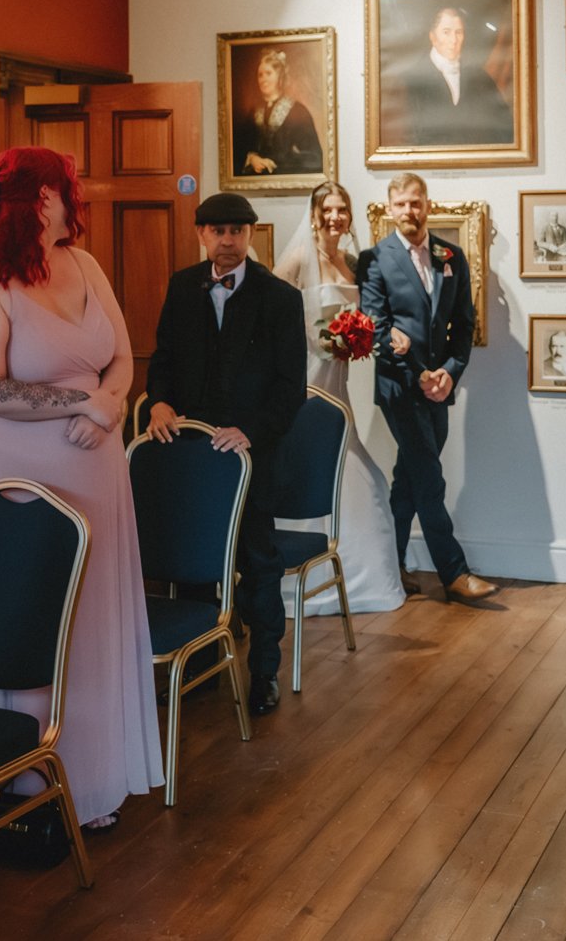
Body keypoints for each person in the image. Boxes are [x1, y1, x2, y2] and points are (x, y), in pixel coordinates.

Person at [0, 147, 162, 828]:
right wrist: (82, 403)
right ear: (42, 197)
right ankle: (25, 777)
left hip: (98, 467)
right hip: (18, 470)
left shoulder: (87, 263)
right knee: (35, 611)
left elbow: (125, 354)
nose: (78, 201)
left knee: (95, 610)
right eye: (70, 189)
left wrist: (113, 400)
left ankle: (96, 774)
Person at [146, 192, 307, 716]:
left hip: (250, 461)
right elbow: (163, 359)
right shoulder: (180, 287)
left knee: (258, 567)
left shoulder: (280, 298)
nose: (228, 240)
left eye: (237, 230)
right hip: (191, 458)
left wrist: (249, 432)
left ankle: (263, 671)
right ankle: (199, 665)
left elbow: (291, 390)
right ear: (201, 235)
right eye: (217, 230)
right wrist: (160, 401)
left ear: (251, 235)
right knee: (192, 566)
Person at [357, 173, 496, 603]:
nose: (408, 211)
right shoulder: (375, 259)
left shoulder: (451, 254)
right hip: (400, 387)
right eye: (400, 204)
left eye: (415, 203)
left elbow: (464, 325)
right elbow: (376, 329)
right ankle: (454, 572)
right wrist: (418, 373)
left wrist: (450, 373)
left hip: (440, 387)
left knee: (410, 479)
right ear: (389, 208)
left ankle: (393, 564)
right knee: (429, 478)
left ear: (427, 205)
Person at [272, 182, 404, 614]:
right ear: (314, 213)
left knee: (361, 474)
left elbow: (364, 314)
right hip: (308, 377)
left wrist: (355, 340)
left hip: (339, 377)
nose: (335, 217)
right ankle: (297, 580)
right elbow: (272, 311)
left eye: (341, 209)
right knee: (316, 462)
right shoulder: (296, 259)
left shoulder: (350, 263)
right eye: (327, 209)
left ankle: (359, 578)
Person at [385, 8, 512, 147]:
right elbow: (399, 141)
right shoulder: (407, 81)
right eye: (446, 32)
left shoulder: (481, 79)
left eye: (459, 32)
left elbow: (504, 130)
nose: (453, 40)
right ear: (433, 37)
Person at [237, 48, 323, 176]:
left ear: (279, 76)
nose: (263, 79)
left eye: (268, 73)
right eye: (260, 75)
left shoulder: (298, 111)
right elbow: (243, 147)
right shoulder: (253, 112)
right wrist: (253, 159)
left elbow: (314, 158)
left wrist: (277, 161)